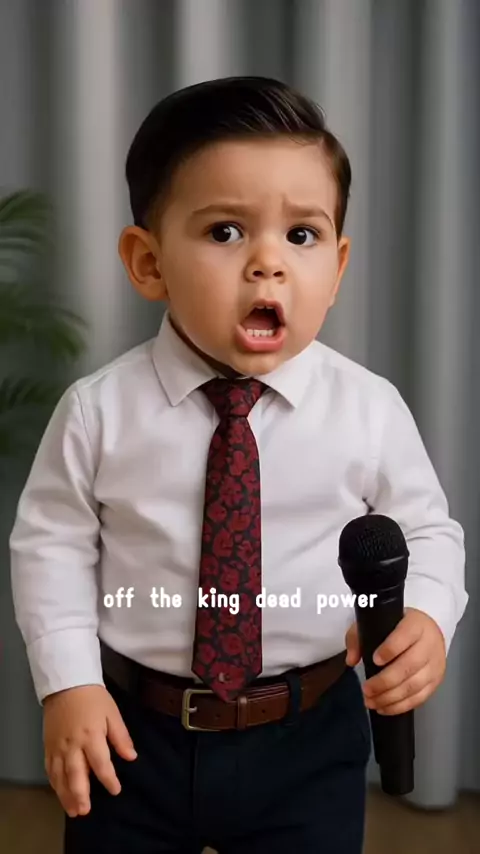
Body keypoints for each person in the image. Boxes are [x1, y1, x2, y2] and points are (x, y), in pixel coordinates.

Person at [9, 76, 468, 854]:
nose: (268, 263)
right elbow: (50, 546)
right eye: (225, 231)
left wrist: (425, 613)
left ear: (338, 267)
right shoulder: (99, 412)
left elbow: (426, 529)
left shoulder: (368, 408)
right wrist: (69, 682)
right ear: (148, 262)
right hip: (135, 730)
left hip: (308, 734)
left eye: (302, 235)